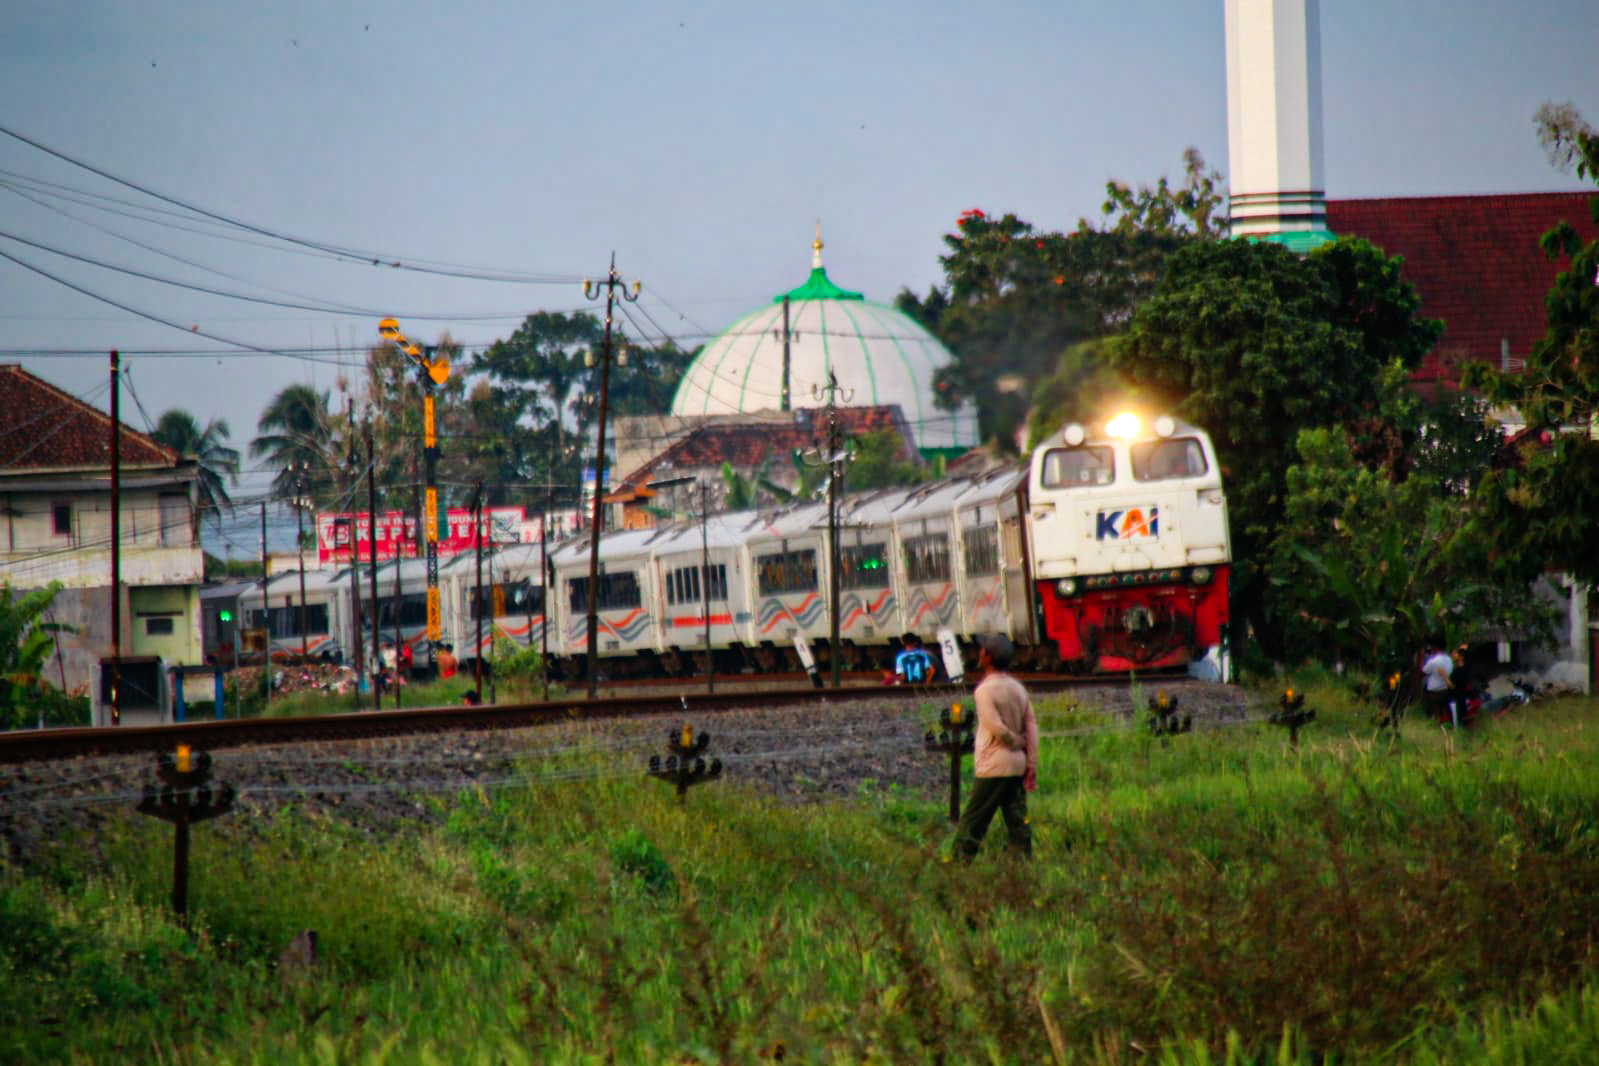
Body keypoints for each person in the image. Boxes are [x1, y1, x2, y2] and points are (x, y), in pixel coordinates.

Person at [954, 634, 1038, 861]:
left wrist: (1014, 741)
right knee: (1017, 820)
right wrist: (1030, 762)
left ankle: (958, 867)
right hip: (1017, 765)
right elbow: (1031, 725)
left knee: (973, 820)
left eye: (982, 651)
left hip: (993, 764)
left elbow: (996, 728)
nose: (979, 653)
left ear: (988, 657)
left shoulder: (984, 691)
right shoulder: (1018, 688)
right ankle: (1023, 865)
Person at [1421, 635, 1454, 723]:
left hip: (1434, 693)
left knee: (1435, 714)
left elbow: (1424, 671)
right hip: (1445, 690)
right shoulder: (1449, 660)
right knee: (1444, 714)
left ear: (1435, 648)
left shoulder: (1433, 661)